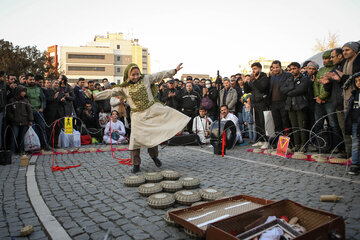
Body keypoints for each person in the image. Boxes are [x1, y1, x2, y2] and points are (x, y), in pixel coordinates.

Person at [95, 63, 189, 173]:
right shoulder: (124, 87)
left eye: (137, 74)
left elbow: (159, 75)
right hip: (137, 117)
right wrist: (95, 96)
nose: (135, 77)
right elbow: (110, 92)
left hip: (151, 112)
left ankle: (154, 157)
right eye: (133, 75)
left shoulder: (146, 79)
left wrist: (173, 71)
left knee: (152, 138)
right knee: (135, 140)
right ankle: (136, 164)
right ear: (128, 75)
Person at [285, 62, 310, 151]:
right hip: (290, 106)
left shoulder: (304, 78)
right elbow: (282, 89)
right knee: (294, 126)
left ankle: (304, 145)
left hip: (301, 105)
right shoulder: (289, 79)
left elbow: (300, 90)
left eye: (294, 69)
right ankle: (297, 144)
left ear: (299, 69)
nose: (292, 71)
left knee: (302, 126)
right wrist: (290, 90)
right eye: (291, 69)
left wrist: (289, 91)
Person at [244, 62, 270, 147]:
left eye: (255, 69)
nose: (253, 71)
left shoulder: (264, 77)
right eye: (252, 69)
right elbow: (247, 91)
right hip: (254, 103)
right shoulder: (253, 79)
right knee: (257, 123)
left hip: (262, 103)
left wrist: (254, 80)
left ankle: (266, 141)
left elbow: (262, 88)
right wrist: (245, 83)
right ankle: (260, 139)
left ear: (260, 69)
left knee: (263, 122)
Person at [25, 73, 49, 150]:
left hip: (39, 112)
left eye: (33, 79)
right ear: (26, 80)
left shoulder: (38, 88)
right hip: (29, 113)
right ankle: (34, 146)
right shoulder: (24, 88)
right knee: (33, 129)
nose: (32, 81)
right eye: (30, 79)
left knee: (42, 128)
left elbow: (43, 99)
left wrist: (42, 107)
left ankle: (45, 145)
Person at [6, 85, 33, 153]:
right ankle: (12, 151)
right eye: (23, 92)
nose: (24, 93)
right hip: (15, 122)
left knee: (22, 137)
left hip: (24, 121)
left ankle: (21, 150)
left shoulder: (26, 101)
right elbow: (9, 111)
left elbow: (29, 111)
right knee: (14, 136)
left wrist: (30, 120)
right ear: (19, 92)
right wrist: (13, 118)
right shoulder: (12, 101)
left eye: (25, 92)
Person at [345, 73, 360, 175]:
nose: (358, 83)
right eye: (356, 81)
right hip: (356, 123)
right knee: (355, 144)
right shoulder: (354, 94)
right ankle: (355, 164)